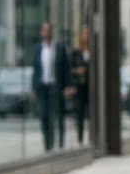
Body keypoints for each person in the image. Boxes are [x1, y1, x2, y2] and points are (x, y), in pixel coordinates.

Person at [32, 22, 72, 151]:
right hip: (42, 86)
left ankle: (59, 143)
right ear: (41, 33)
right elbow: (36, 69)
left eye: (48, 30)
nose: (46, 33)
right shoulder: (38, 48)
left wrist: (67, 86)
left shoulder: (59, 47)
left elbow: (66, 68)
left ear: (51, 32)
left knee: (57, 115)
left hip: (56, 86)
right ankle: (47, 144)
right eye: (44, 30)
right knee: (44, 115)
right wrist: (34, 87)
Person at [70, 27, 91, 145]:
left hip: (90, 87)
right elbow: (70, 69)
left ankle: (93, 138)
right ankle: (80, 138)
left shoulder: (93, 50)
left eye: (88, 33)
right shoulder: (76, 52)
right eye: (84, 33)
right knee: (80, 114)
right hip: (79, 86)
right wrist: (78, 71)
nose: (86, 36)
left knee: (92, 113)